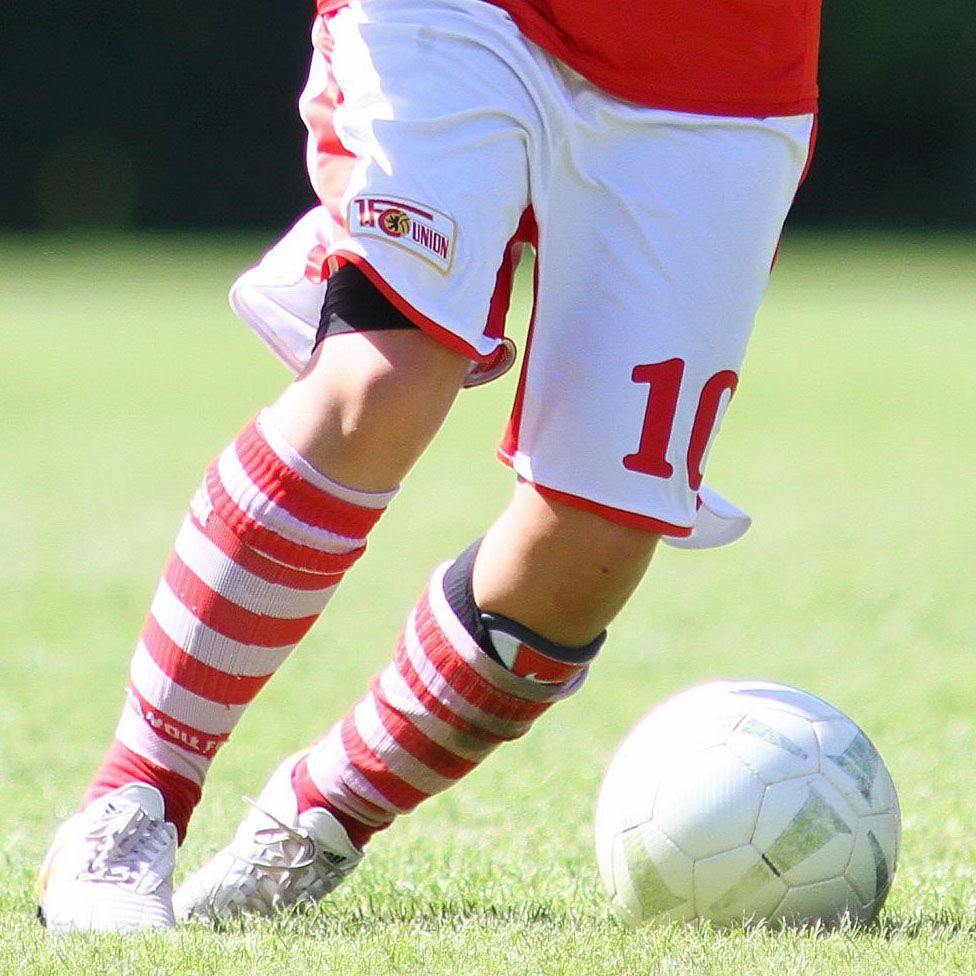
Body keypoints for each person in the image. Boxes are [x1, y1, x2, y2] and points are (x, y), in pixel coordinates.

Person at [36, 0, 820, 932]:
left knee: (590, 551)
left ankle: (312, 825)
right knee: (381, 382)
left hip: (720, 62)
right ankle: (135, 803)